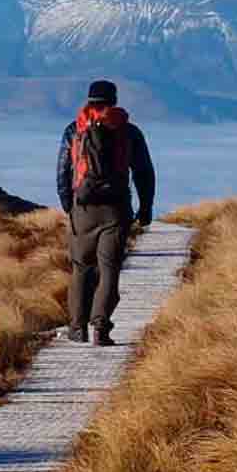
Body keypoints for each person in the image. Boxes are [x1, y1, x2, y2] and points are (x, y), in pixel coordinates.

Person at [55, 79, 155, 346]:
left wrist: (70, 206)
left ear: (89, 100)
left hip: (83, 207)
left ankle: (77, 329)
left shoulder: (73, 130)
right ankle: (101, 327)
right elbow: (144, 172)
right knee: (109, 269)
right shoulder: (129, 131)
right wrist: (146, 208)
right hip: (116, 207)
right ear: (114, 100)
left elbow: (63, 171)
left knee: (81, 268)